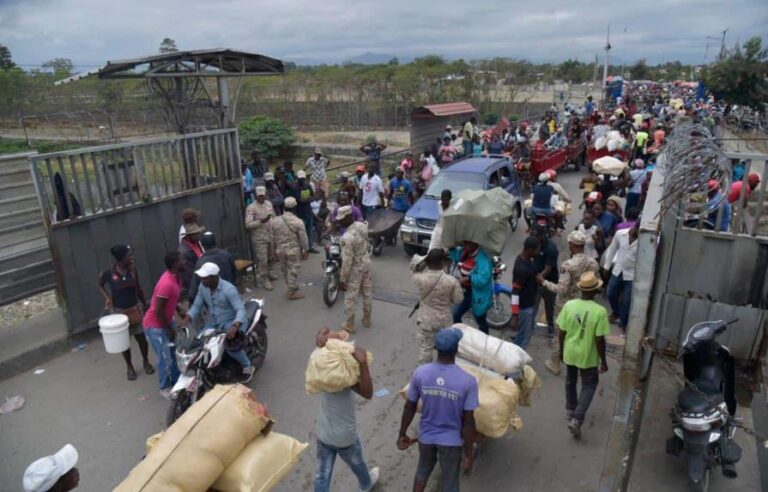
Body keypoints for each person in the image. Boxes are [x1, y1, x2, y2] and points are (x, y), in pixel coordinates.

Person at [398, 328, 478, 492]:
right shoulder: (468, 381)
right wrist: (469, 454)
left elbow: (410, 406)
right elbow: (469, 422)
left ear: (436, 348)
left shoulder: (421, 373)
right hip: (451, 441)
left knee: (422, 471)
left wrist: (402, 434)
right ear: (456, 349)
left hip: (426, 437)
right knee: (450, 483)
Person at [313, 327, 380, 492]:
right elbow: (368, 393)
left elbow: (321, 340)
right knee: (357, 462)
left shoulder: (322, 364)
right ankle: (366, 484)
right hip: (345, 436)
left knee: (322, 476)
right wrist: (363, 364)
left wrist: (321, 334)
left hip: (323, 432)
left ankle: (366, 482)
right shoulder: (346, 375)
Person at [556, 271, 610, 438]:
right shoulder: (600, 311)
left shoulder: (569, 305)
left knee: (570, 381)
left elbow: (561, 331)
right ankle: (577, 419)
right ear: (595, 291)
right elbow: (599, 340)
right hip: (587, 355)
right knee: (589, 385)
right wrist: (603, 361)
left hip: (570, 350)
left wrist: (561, 350)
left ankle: (570, 410)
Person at [539, 231, 599, 375]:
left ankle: (555, 363)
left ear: (571, 245)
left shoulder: (568, 265)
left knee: (560, 333)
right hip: (584, 304)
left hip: (566, 306)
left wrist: (544, 282)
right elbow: (595, 284)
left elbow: (561, 288)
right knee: (580, 334)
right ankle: (579, 365)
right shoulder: (593, 263)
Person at [183, 262, 253, 382]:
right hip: (214, 322)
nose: (202, 280)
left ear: (214, 277)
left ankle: (247, 366)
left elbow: (240, 309)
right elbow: (196, 305)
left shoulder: (228, 289)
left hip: (232, 322)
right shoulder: (203, 287)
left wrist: (235, 326)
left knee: (231, 346)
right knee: (200, 341)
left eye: (205, 278)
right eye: (201, 277)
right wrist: (188, 317)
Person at [98, 245, 153, 381]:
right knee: (124, 342)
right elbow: (100, 284)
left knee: (141, 339)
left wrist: (145, 305)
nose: (131, 257)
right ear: (121, 259)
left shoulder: (133, 271)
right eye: (129, 255)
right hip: (119, 313)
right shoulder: (109, 274)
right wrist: (108, 297)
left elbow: (138, 288)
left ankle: (146, 361)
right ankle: (129, 366)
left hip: (134, 309)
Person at [143, 251, 185, 397]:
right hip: (156, 326)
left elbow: (172, 299)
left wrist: (179, 310)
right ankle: (165, 387)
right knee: (164, 358)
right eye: (182, 260)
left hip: (166, 321)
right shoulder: (166, 283)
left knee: (174, 353)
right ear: (174, 264)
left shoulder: (176, 278)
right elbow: (159, 311)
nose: (184, 262)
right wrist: (169, 330)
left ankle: (176, 380)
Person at [410, 249, 464, 364]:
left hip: (426, 321)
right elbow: (458, 300)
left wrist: (423, 260)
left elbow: (413, 268)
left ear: (428, 262)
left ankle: (425, 373)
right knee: (446, 349)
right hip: (444, 321)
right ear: (443, 262)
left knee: (425, 349)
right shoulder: (451, 281)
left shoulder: (419, 278)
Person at [337, 206, 373, 332]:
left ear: (348, 217)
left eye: (341, 219)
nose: (339, 222)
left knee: (351, 296)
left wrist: (342, 279)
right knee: (367, 292)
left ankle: (349, 324)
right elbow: (367, 240)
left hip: (355, 268)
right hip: (366, 262)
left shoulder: (347, 237)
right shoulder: (362, 225)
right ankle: (367, 318)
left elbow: (347, 261)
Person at [603, 223, 639, 336]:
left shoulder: (645, 240)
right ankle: (616, 312)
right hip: (618, 270)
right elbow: (612, 249)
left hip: (632, 274)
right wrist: (607, 266)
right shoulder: (620, 234)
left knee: (626, 301)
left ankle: (624, 325)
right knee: (610, 293)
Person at [450, 241, 493, 334]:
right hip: (464, 292)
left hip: (476, 294)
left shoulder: (483, 259)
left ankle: (485, 338)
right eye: (463, 243)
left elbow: (483, 279)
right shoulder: (463, 252)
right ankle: (459, 334)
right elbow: (453, 254)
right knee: (456, 314)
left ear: (474, 244)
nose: (463, 246)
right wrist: (450, 247)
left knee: (480, 319)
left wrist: (468, 279)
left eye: (466, 244)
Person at [271, 197, 309, 300]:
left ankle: (291, 285)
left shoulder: (275, 221)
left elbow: (272, 237)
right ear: (295, 208)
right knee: (293, 270)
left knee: (285, 269)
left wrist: (273, 250)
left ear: (284, 207)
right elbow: (303, 238)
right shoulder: (298, 222)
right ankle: (291, 293)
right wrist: (305, 250)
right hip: (293, 249)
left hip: (280, 249)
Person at [187, 232, 237, 302]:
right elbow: (234, 273)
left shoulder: (200, 262)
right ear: (215, 242)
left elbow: (193, 290)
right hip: (231, 294)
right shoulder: (227, 255)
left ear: (203, 245)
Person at [245, 187, 279, 291]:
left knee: (271, 256)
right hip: (259, 238)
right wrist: (261, 221)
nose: (261, 197)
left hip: (270, 235)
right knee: (262, 260)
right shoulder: (251, 208)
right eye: (259, 196)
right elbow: (248, 224)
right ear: (255, 196)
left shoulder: (269, 204)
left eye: (262, 195)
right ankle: (264, 278)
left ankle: (270, 271)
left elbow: (274, 217)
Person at [511, 236, 541, 348]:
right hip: (524, 308)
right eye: (537, 249)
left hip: (529, 303)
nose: (539, 252)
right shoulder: (521, 269)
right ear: (530, 250)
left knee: (522, 335)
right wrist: (514, 316)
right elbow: (515, 292)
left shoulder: (527, 260)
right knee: (524, 338)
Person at [531, 227, 558, 339]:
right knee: (533, 305)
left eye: (535, 236)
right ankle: (528, 327)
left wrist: (539, 279)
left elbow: (548, 269)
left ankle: (551, 326)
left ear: (542, 236)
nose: (533, 238)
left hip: (549, 282)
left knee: (549, 306)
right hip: (536, 281)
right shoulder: (533, 244)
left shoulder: (551, 249)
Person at [294, 170, 319, 253]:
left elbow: (314, 196)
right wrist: (309, 199)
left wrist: (307, 200)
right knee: (301, 231)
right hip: (300, 211)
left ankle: (309, 246)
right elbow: (299, 200)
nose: (302, 180)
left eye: (303, 178)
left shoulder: (307, 185)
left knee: (309, 229)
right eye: (300, 178)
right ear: (298, 178)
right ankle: (302, 248)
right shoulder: (295, 187)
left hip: (308, 210)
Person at [178, 223, 205, 293]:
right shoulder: (184, 252)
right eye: (196, 234)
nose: (199, 235)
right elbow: (188, 277)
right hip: (197, 289)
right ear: (189, 236)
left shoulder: (197, 244)